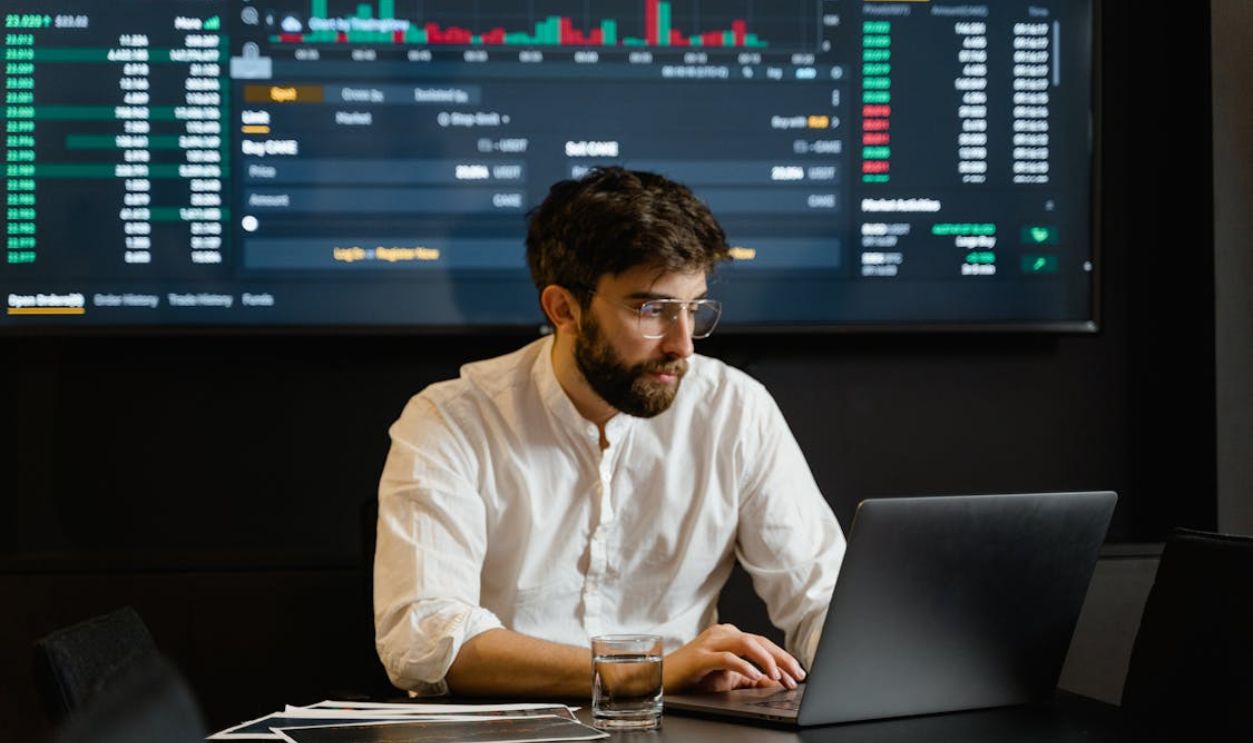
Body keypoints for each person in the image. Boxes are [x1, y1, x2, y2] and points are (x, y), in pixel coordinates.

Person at [374, 167, 845, 698]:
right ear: (564, 309)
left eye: (693, 309)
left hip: (687, 725)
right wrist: (643, 672)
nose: (683, 345)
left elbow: (823, 599)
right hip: (505, 727)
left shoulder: (735, 409)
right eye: (653, 310)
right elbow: (424, 639)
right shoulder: (450, 419)